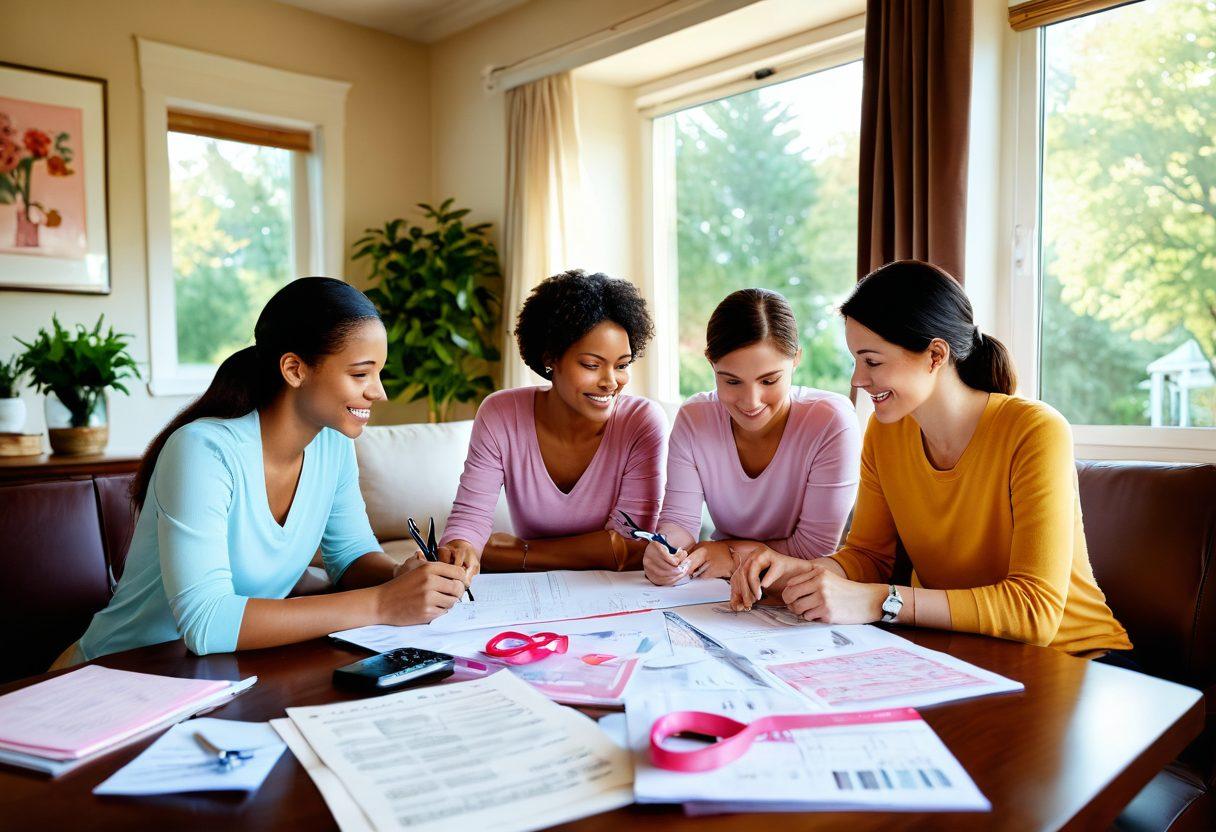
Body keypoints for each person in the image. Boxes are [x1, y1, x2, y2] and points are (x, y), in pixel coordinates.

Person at [54, 278, 468, 667]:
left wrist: (403, 577)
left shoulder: (334, 444)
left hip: (217, 678)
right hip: (118, 674)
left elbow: (350, 558)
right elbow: (207, 623)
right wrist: (382, 603)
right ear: (294, 369)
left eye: (379, 373)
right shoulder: (202, 450)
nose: (379, 392)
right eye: (360, 374)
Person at [730, 260, 1132, 657]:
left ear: (935, 355)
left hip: (1079, 662)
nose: (857, 379)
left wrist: (879, 602)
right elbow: (868, 558)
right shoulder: (884, 433)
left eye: (872, 361)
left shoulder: (1034, 430)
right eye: (855, 360)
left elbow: (1034, 613)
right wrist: (796, 573)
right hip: (970, 655)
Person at [438, 269, 666, 573]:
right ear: (550, 358)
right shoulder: (500, 414)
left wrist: (519, 552)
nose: (611, 382)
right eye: (591, 364)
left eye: (622, 365)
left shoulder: (642, 423)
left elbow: (629, 546)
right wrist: (462, 549)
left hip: (614, 592)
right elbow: (469, 521)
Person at [643, 288, 861, 586]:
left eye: (769, 380)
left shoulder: (831, 422)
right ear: (711, 363)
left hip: (798, 586)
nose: (751, 401)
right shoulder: (694, 419)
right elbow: (680, 524)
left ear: (796, 359)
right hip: (716, 585)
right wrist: (666, 550)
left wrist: (731, 555)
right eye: (732, 381)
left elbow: (814, 551)